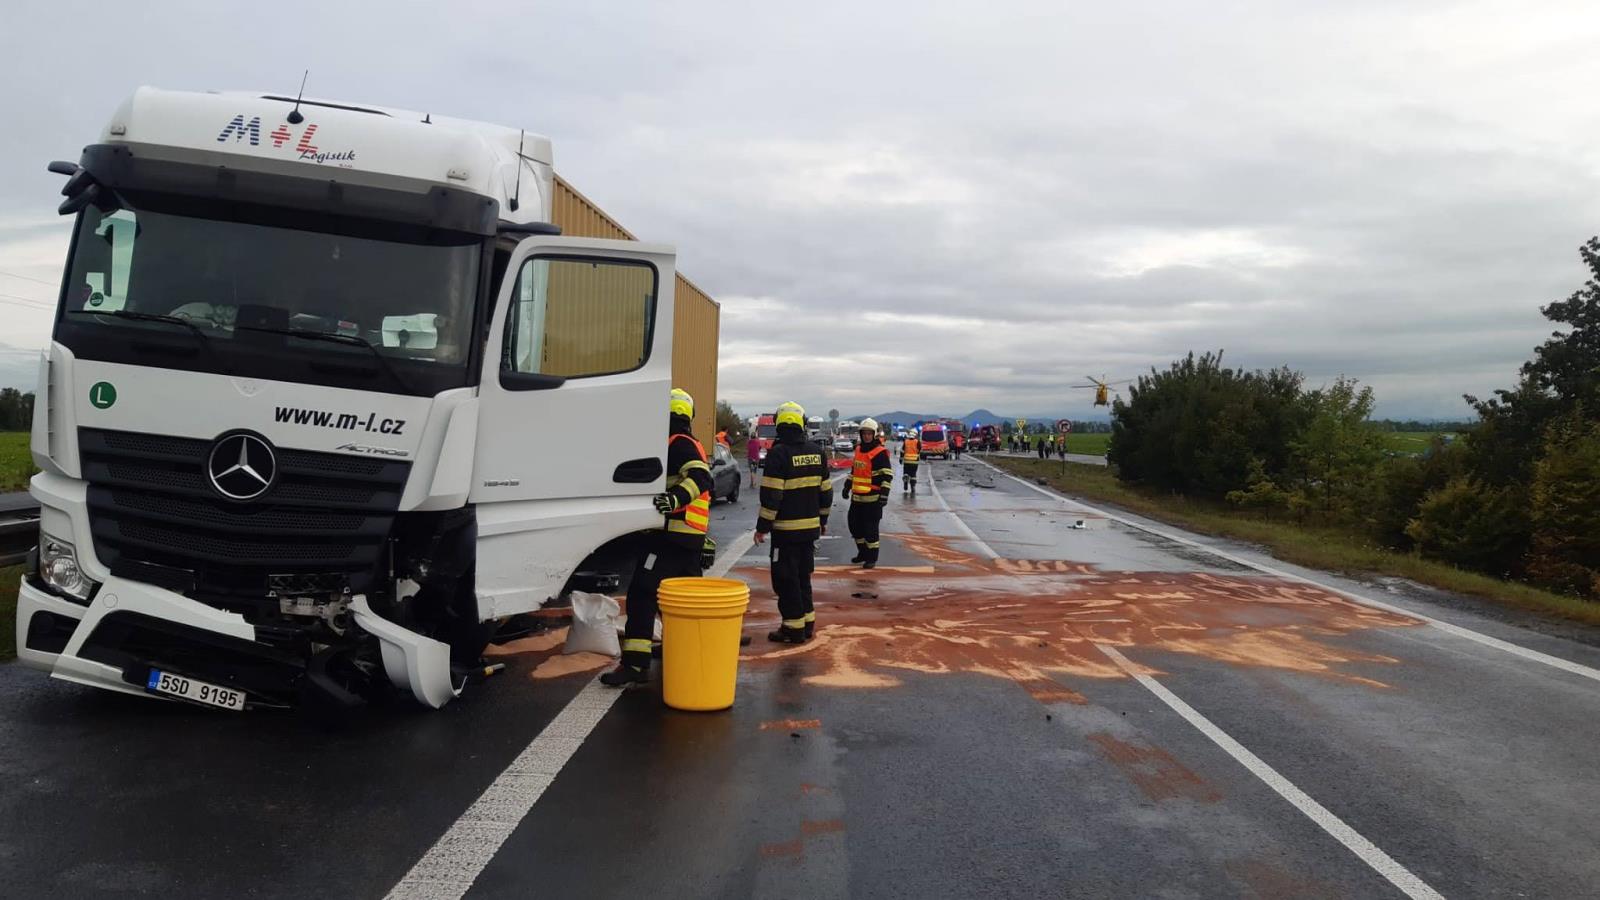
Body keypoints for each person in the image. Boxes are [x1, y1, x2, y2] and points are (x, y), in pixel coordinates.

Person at [602, 388, 714, 687]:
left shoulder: (678, 444)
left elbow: (702, 479)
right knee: (682, 603)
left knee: (641, 594)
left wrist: (674, 500)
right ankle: (692, 651)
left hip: (670, 538)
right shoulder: (689, 443)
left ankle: (635, 665)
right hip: (689, 538)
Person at [756, 401, 832, 643]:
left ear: (779, 424)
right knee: (802, 578)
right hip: (810, 531)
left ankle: (793, 629)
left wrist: (762, 528)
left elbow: (772, 496)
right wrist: (823, 519)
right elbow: (826, 491)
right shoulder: (817, 452)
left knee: (785, 581)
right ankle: (807, 624)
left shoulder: (778, 453)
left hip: (785, 533)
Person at [845, 418, 894, 568]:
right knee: (854, 527)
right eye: (864, 433)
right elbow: (855, 471)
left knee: (870, 531)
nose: (866, 436)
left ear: (874, 435)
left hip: (873, 500)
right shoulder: (859, 449)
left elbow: (887, 476)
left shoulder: (880, 453)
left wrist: (884, 495)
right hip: (857, 498)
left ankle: (871, 558)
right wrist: (847, 486)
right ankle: (863, 552)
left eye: (869, 433)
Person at [900, 430, 921, 495]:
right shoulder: (917, 442)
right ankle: (913, 487)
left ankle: (905, 483)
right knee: (913, 474)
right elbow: (919, 450)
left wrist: (901, 459)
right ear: (915, 435)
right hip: (914, 461)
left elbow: (902, 451)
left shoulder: (906, 441)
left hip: (906, 461)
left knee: (906, 473)